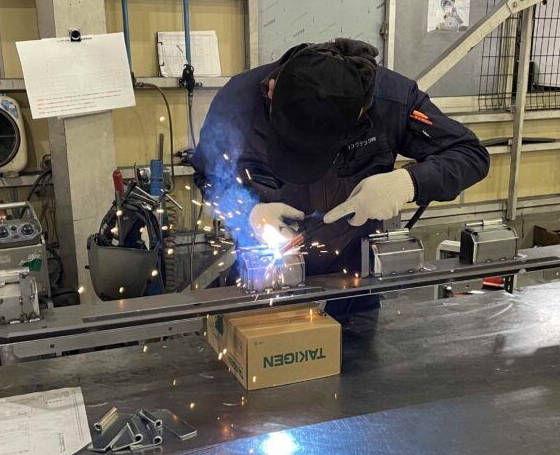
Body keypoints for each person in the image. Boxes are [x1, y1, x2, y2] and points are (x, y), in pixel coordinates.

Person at [192, 38, 489, 284]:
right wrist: (249, 213)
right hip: (262, 272)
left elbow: (470, 154)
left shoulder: (392, 102)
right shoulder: (237, 105)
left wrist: (408, 183)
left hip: (351, 275)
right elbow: (208, 175)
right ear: (272, 90)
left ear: (362, 113)